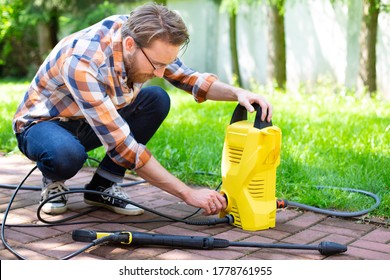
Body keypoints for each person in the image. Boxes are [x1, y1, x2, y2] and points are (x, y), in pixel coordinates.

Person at [13, 3, 273, 217]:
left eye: (166, 64)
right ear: (129, 46)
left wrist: (238, 93)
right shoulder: (83, 63)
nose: (161, 73)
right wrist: (187, 193)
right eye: (157, 65)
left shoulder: (145, 37)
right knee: (67, 155)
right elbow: (123, 146)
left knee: (156, 98)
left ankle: (103, 185)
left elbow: (188, 78)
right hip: (44, 125)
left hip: (89, 121)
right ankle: (53, 180)